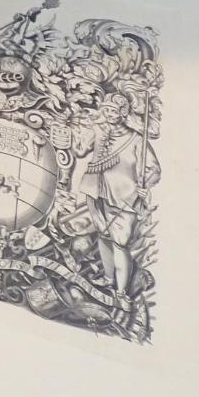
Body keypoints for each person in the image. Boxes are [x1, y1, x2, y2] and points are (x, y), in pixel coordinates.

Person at [68, 89, 160, 299]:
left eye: (114, 111)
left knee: (120, 243)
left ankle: (121, 292)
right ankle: (109, 278)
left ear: (123, 113)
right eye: (107, 110)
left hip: (124, 198)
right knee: (104, 235)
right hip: (95, 192)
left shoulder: (136, 140)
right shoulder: (99, 131)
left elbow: (154, 170)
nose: (109, 115)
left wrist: (146, 185)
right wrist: (84, 132)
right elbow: (80, 151)